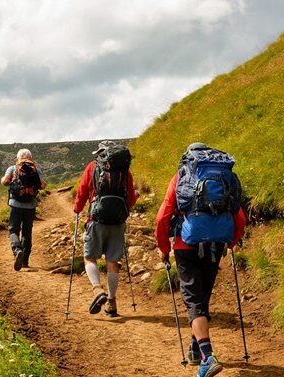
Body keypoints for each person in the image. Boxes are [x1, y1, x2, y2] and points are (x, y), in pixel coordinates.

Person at [154, 142, 246, 377]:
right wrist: (231, 242)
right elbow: (240, 216)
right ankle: (196, 348)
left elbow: (163, 216)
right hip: (216, 244)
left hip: (186, 245)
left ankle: (207, 356)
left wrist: (164, 247)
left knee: (194, 301)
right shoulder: (226, 177)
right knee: (202, 298)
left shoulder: (181, 176)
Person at [73, 140, 137, 317]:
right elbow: (130, 200)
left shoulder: (93, 167)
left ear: (101, 153)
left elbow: (82, 191)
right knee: (112, 261)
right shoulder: (125, 171)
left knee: (89, 257)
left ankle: (97, 289)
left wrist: (77, 208)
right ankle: (111, 302)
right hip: (117, 221)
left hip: (96, 219)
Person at [1, 148, 47, 271]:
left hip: (15, 204)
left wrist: (9, 180)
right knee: (27, 233)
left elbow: (5, 182)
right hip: (30, 206)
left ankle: (17, 250)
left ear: (18, 157)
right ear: (30, 158)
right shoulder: (36, 169)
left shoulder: (13, 168)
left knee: (13, 230)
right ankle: (25, 261)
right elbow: (42, 186)